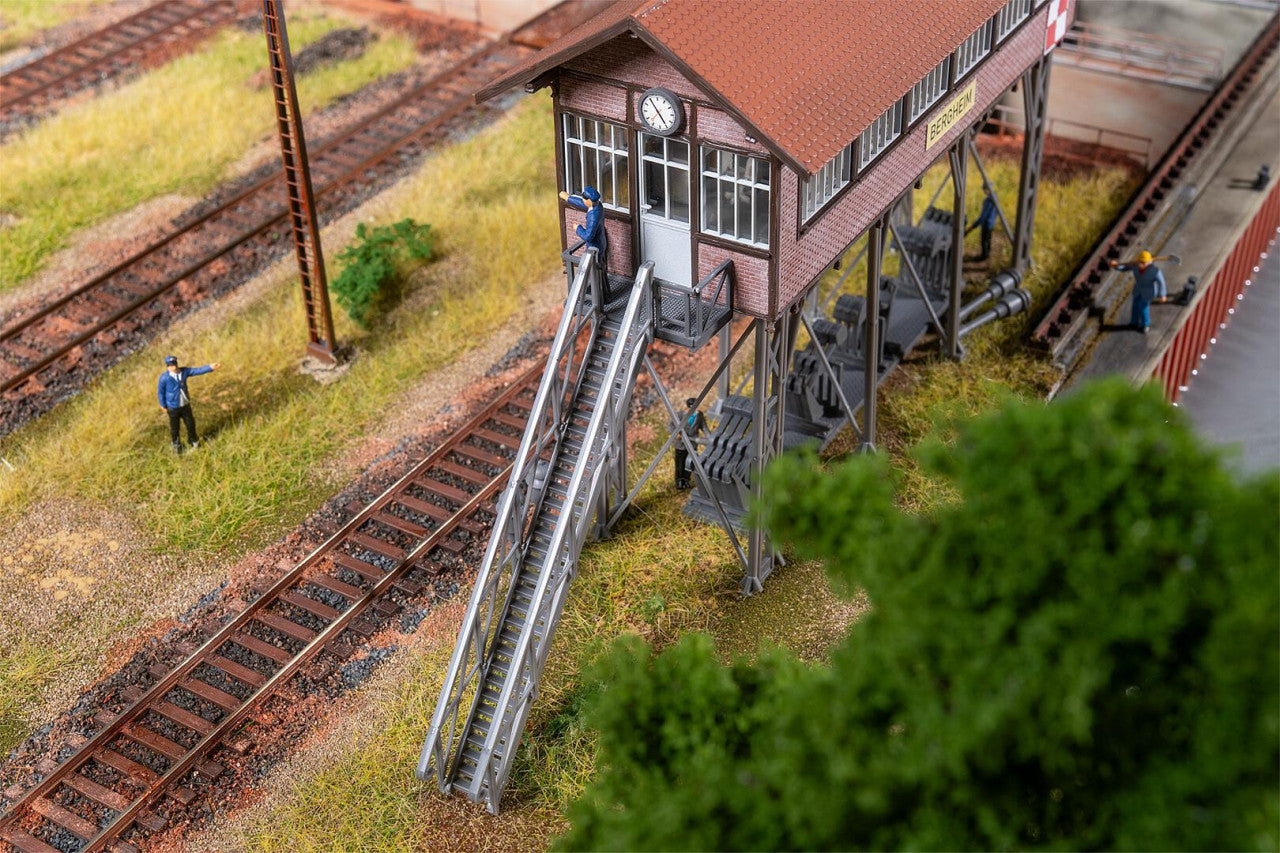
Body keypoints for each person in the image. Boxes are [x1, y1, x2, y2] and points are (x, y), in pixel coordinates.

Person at [157, 355, 221, 453]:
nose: (173, 367)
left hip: (185, 405)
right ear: (167, 366)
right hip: (173, 407)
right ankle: (176, 446)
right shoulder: (164, 378)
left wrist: (210, 367)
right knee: (175, 428)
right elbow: (160, 392)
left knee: (190, 424)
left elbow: (197, 370)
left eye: (174, 364)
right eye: (170, 365)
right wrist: (163, 405)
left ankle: (193, 441)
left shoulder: (184, 372)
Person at [1109, 250, 1167, 334]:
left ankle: (1145, 325)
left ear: (1148, 263)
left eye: (1143, 263)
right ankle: (1134, 322)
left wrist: (1163, 295)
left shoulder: (1155, 271)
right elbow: (1125, 268)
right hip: (1138, 289)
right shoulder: (1135, 266)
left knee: (1143, 308)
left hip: (1148, 292)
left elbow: (1161, 282)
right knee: (1135, 306)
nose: (1140, 265)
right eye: (1140, 262)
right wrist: (1116, 266)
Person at [559, 186, 609, 271]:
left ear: (589, 201)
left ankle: (597, 282)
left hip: (595, 248)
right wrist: (568, 198)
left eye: (584, 199)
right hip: (601, 241)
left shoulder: (593, 216)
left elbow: (588, 237)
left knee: (595, 271)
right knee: (599, 267)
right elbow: (581, 203)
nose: (583, 200)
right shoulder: (597, 206)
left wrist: (578, 228)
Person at [674, 398, 707, 490]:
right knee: (680, 464)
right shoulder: (679, 415)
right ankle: (679, 481)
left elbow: (704, 427)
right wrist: (676, 433)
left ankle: (686, 480)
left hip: (692, 443)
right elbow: (670, 426)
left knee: (689, 462)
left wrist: (710, 437)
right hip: (680, 444)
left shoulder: (699, 415)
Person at [965, 192, 999, 262]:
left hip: (986, 223)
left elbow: (983, 216)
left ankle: (983, 257)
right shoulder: (996, 199)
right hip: (991, 223)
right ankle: (987, 255)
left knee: (984, 241)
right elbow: (997, 213)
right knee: (988, 239)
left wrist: (974, 225)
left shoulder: (988, 201)